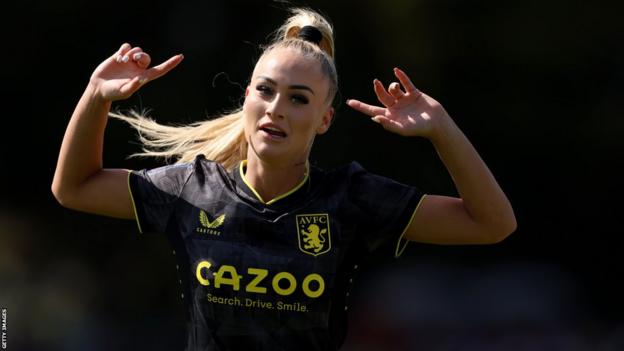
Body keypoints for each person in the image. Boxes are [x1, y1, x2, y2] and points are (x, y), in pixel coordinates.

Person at [51, 7, 516, 351]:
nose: (275, 108)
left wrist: (442, 129)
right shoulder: (191, 190)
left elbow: (492, 224)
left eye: (298, 99)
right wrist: (96, 94)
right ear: (247, 96)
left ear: (325, 119)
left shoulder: (351, 199)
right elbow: (73, 188)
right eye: (266, 91)